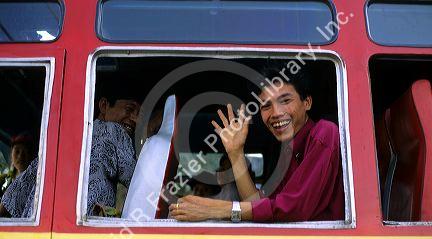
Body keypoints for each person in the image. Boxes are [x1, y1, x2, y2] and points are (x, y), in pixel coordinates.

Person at [170, 66, 345, 222]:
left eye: (285, 101)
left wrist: (217, 209)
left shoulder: (324, 133)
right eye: (266, 106)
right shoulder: (287, 153)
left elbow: (293, 210)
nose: (276, 113)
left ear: (307, 102)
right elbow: (258, 206)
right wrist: (235, 153)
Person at [0, 86, 141, 218]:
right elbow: (140, 182)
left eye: (139, 114)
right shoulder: (115, 131)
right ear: (104, 105)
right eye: (129, 110)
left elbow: (9, 202)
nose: (135, 119)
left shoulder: (62, 138)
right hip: (82, 235)